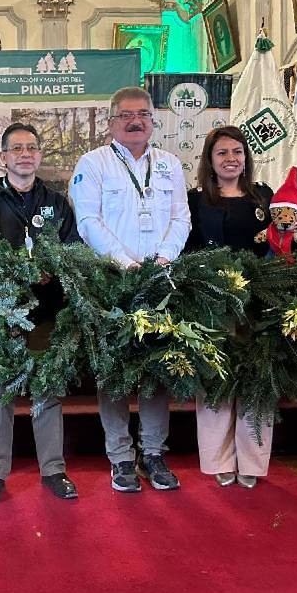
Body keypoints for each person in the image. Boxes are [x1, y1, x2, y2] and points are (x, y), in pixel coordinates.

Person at [69, 86, 191, 493]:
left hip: (161, 280)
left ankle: (154, 453)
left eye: (143, 114)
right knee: (115, 374)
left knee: (157, 370)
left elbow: (181, 218)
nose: (135, 121)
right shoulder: (93, 163)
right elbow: (88, 221)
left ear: (154, 121)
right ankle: (120, 457)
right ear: (111, 122)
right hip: (112, 283)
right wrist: (125, 263)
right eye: (126, 115)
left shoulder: (171, 164)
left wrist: (164, 258)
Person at [0, 123, 81, 504]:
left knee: (46, 389)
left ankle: (53, 469)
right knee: (1, 392)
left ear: (39, 155)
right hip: (4, 312)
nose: (24, 154)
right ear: (2, 157)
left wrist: (55, 269)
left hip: (47, 312)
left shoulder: (57, 202)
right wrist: (16, 272)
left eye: (31, 147)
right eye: (16, 148)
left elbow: (73, 250)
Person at [185, 127, 273, 489]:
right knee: (216, 380)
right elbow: (187, 248)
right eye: (222, 153)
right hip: (212, 300)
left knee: (257, 378)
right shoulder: (194, 200)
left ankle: (252, 461)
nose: (231, 158)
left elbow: (281, 242)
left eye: (238, 151)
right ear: (209, 160)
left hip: (257, 300)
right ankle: (218, 459)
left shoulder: (264, 197)